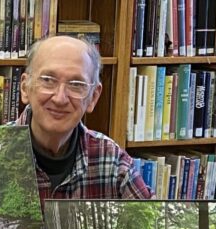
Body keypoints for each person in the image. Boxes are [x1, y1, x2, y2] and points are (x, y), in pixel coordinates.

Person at [16, 35, 152, 202]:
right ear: (25, 88)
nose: (60, 98)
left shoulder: (112, 161)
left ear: (93, 97)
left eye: (76, 84)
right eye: (48, 80)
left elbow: (153, 224)